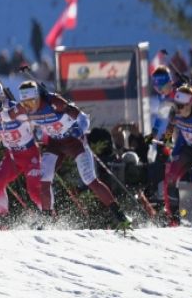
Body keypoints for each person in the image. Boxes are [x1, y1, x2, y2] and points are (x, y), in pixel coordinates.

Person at [17, 80, 130, 228]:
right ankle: (47, 220)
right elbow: (9, 117)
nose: (29, 107)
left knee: (90, 180)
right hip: (55, 144)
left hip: (74, 142)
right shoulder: (25, 109)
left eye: (32, 102)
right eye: (25, 103)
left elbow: (83, 118)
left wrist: (80, 130)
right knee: (44, 179)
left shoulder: (55, 103)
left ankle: (121, 217)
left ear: (39, 97)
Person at [0, 80, 49, 221]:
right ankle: (3, 217)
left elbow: (43, 121)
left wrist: (46, 142)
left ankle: (49, 218)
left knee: (33, 190)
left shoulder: (17, 110)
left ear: (2, 96)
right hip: (11, 155)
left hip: (30, 154)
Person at [162, 85, 192, 226]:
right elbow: (170, 127)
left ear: (191, 103)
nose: (178, 109)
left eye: (181, 106)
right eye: (176, 105)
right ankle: (174, 220)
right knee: (170, 178)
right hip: (188, 149)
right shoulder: (175, 114)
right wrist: (167, 141)